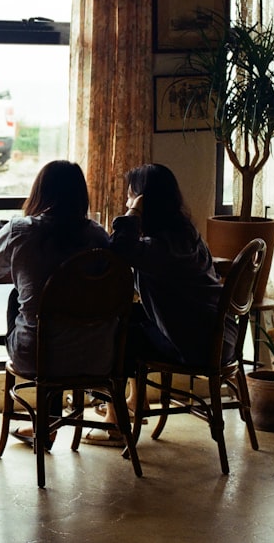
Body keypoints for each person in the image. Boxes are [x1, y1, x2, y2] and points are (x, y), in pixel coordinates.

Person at [0, 160, 108, 443]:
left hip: (38, 354)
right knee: (59, 320)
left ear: (40, 191)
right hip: (96, 353)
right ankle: (47, 424)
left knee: (23, 302)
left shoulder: (22, 230)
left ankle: (46, 426)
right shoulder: (98, 235)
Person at [96, 163, 226, 440]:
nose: (126, 201)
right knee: (128, 316)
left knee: (114, 330)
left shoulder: (160, 248)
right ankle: (135, 399)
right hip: (215, 335)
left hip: (193, 344)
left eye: (132, 196)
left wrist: (133, 212)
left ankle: (114, 422)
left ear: (146, 201)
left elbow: (118, 248)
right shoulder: (186, 235)